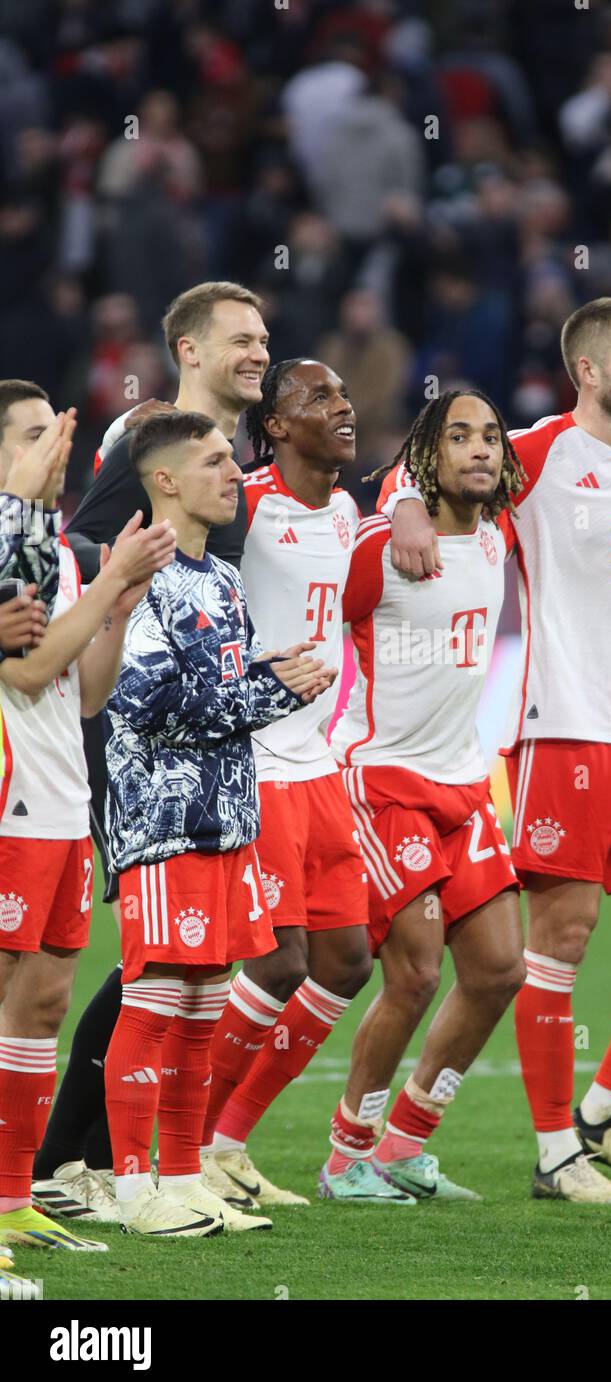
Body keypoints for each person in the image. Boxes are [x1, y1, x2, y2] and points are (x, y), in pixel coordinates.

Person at [383, 297, 611, 1204]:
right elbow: (427, 464)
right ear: (588, 371)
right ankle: (553, 1153)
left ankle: (605, 1112)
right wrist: (411, 511)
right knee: (562, 942)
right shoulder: (536, 452)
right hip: (565, 726)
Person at [33, 280, 271, 1223]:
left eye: (264, 338)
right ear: (189, 349)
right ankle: (80, 1163)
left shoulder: (227, 459)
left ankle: (130, 1165)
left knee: (186, 971)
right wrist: (123, 616)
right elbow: (91, 543)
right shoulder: (150, 442)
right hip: (136, 741)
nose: (259, 352)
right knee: (154, 967)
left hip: (210, 757)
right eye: (240, 339)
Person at [103, 410, 336, 1238]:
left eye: (232, 460)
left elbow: (219, 695)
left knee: (203, 1009)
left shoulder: (224, 580)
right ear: (165, 480)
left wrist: (269, 673)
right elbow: (148, 704)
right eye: (214, 461)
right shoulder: (141, 577)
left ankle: (184, 1175)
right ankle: (133, 1195)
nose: (236, 473)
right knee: (157, 1000)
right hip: (165, 822)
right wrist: (278, 690)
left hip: (227, 820)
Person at [317, 390, 533, 1203]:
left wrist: (409, 492)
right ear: (426, 452)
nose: (479, 450)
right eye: (459, 437)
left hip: (465, 785)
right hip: (383, 785)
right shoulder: (378, 548)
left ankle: (407, 1142)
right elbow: (307, 616)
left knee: (501, 969)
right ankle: (345, 1156)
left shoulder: (499, 533)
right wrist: (402, 500)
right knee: (413, 976)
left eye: (490, 437)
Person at [0, 409, 176, 1254]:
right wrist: (114, 585)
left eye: (57, 432)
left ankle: (12, 1201)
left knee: (41, 1008)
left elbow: (85, 693)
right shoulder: (12, 554)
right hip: (11, 804)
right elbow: (28, 668)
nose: (54, 449)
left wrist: (117, 603)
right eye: (32, 435)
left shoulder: (60, 557)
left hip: (67, 801)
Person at [199, 360, 372, 1206]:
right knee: (277, 963)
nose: (341, 409)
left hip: (322, 765)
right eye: (317, 399)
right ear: (273, 427)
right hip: (258, 763)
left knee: (346, 961)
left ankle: (230, 1145)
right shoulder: (245, 505)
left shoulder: (347, 510)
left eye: (342, 395)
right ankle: (186, 1148)